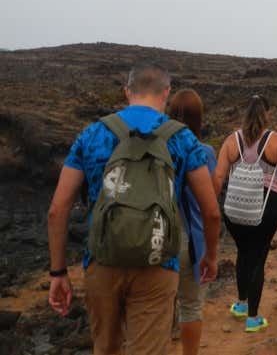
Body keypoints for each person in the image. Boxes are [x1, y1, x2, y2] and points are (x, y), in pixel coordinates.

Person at [47, 64, 220, 355]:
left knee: (106, 348)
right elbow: (211, 211)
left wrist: (57, 272)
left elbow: (58, 209)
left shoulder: (92, 134)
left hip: (102, 260)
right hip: (158, 261)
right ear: (166, 92)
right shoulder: (182, 138)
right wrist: (211, 256)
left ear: (127, 92)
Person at [212, 95, 277, 333]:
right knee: (258, 257)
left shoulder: (232, 140)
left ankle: (241, 305)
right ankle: (253, 318)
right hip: (265, 207)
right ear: (267, 115)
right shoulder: (275, 140)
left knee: (243, 252)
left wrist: (211, 204)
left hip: (235, 206)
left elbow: (219, 176)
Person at [167, 89, 217, 355]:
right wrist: (212, 253)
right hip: (190, 239)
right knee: (191, 306)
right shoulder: (205, 152)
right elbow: (210, 208)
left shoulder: (157, 149)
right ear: (199, 119)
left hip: (155, 235)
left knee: (159, 305)